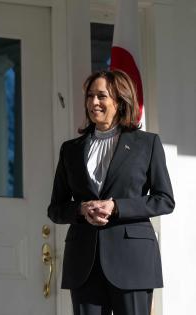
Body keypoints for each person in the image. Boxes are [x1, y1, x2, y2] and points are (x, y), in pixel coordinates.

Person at [48, 69, 174, 315]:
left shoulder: (146, 144)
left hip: (133, 261)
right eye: (90, 96)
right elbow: (56, 209)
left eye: (101, 96)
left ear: (119, 100)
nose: (93, 102)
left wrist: (116, 207)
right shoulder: (70, 150)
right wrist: (80, 209)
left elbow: (164, 200)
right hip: (84, 263)